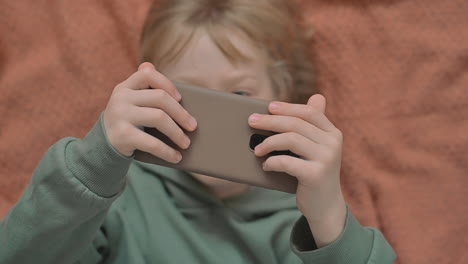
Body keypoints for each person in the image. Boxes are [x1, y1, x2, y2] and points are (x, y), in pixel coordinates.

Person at [0, 0, 396, 263]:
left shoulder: (307, 220)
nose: (211, 121)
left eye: (240, 94)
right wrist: (96, 162)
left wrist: (328, 218)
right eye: (191, 95)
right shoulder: (118, 199)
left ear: (285, 93)